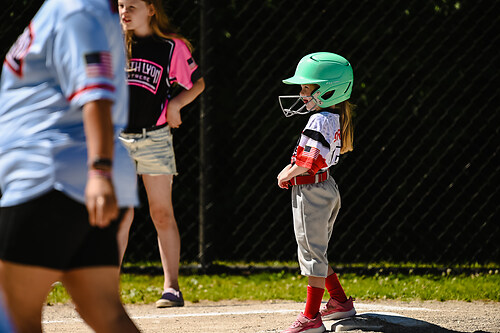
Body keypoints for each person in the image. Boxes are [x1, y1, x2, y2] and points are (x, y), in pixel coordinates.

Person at [0, 0, 140, 332]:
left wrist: (99, 171)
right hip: (69, 176)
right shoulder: (76, 8)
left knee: (12, 313)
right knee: (103, 310)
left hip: (53, 176)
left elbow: (95, 94)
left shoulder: (75, 9)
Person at [116, 0, 205, 308]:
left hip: (154, 137)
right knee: (120, 215)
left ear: (151, 9)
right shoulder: (111, 42)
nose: (124, 12)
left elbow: (197, 83)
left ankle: (172, 288)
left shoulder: (171, 46)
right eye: (120, 5)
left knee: (161, 212)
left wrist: (177, 104)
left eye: (132, 6)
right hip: (118, 140)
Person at [277, 52, 357, 333]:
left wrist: (286, 173)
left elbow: (309, 161)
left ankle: (311, 318)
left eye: (306, 88)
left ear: (329, 90)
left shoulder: (319, 119)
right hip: (326, 188)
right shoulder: (333, 117)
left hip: (312, 191)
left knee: (313, 255)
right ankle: (339, 301)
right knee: (316, 250)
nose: (301, 93)